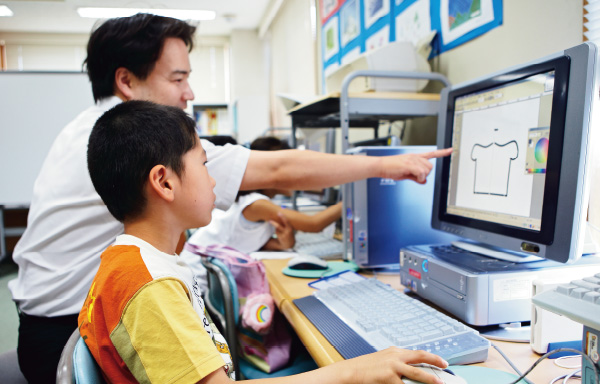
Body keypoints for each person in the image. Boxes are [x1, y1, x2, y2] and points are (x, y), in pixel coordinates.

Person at [8, 13, 451, 382]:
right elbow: (276, 168)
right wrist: (387, 165)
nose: (190, 93)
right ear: (126, 80)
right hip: (69, 330)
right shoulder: (143, 147)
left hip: (66, 325)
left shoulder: (91, 133)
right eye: (178, 77)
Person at [81, 99, 448, 384]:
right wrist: (355, 371)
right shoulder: (148, 284)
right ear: (164, 182)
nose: (213, 181)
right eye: (204, 164)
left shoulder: (145, 261)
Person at [182, 136, 342, 254]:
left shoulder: (249, 200)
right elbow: (313, 224)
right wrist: (349, 201)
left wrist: (283, 244)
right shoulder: (257, 204)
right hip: (199, 275)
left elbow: (245, 242)